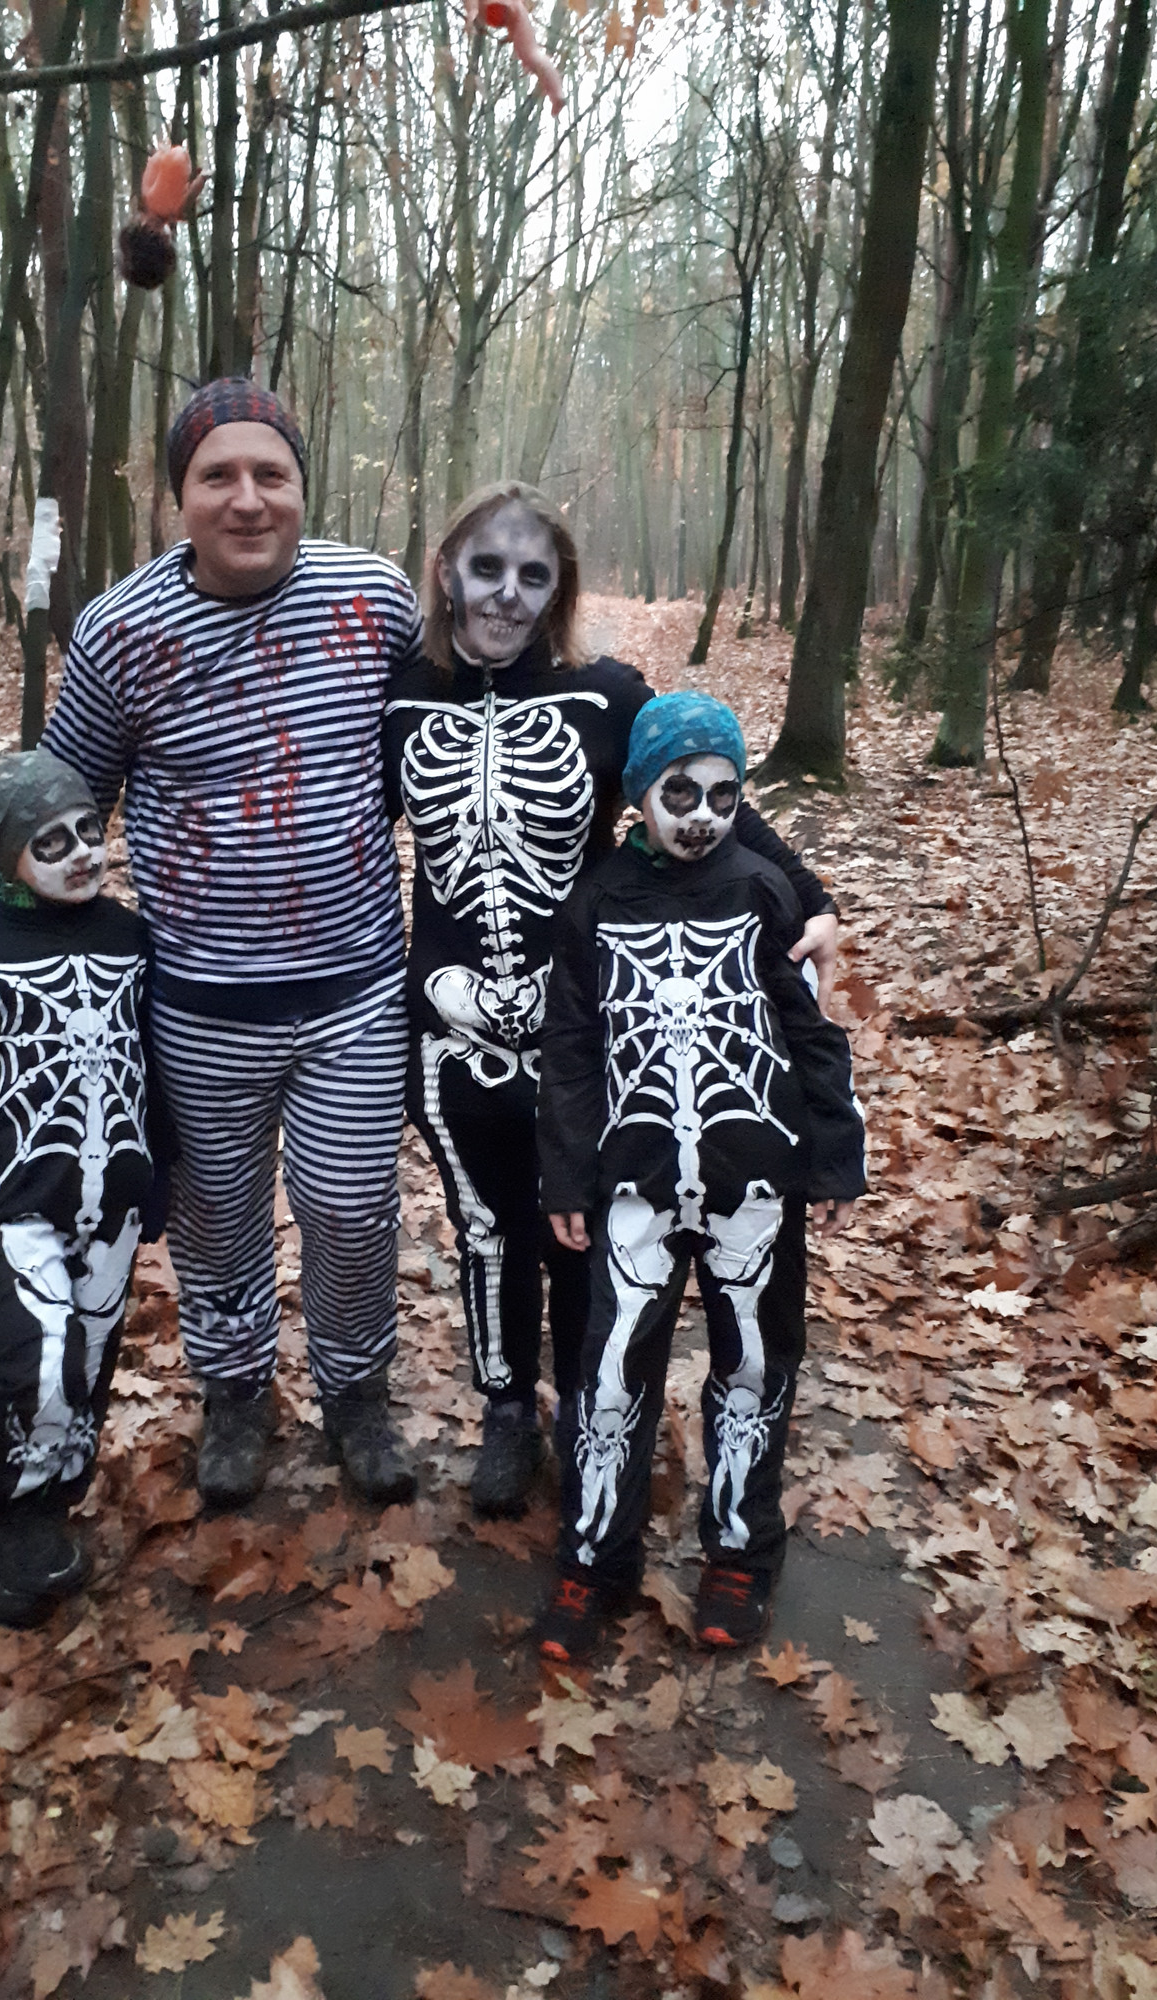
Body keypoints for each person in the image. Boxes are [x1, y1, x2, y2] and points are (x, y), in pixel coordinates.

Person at [382, 485, 841, 1518]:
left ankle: (592, 1409)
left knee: (584, 1230)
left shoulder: (605, 695)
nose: (506, 593)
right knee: (486, 1229)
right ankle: (507, 1409)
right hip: (449, 1030)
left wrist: (811, 900)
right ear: (448, 571)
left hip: (588, 1029)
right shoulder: (402, 698)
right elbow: (348, 826)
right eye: (486, 568)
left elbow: (710, 793)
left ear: (559, 591)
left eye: (532, 575)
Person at [39, 379, 423, 1509]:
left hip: (356, 988)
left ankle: (356, 1388)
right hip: (199, 1000)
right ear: (181, 496)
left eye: (272, 474)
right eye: (219, 476)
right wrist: (2, 962)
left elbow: (460, 732)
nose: (248, 499)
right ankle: (237, 1391)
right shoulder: (120, 630)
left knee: (352, 1209)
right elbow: (64, 797)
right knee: (216, 1220)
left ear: (303, 486)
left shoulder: (375, 598)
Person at [533, 693, 866, 1662]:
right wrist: (566, 1179)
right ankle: (596, 1555)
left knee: (753, 1365)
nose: (703, 815)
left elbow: (812, 1033)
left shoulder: (763, 891)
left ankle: (740, 1552)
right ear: (640, 793)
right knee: (608, 1372)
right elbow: (571, 1051)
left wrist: (834, 1154)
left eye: (725, 795)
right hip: (632, 1183)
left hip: (753, 1181)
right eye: (679, 793)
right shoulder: (598, 900)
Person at [0, 750, 163, 1628]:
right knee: (42, 1360)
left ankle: (39, 1510)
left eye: (90, 831)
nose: (82, 853)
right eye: (51, 843)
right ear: (6, 856)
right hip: (11, 1206)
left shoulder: (129, 937)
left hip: (112, 1201)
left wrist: (154, 1186)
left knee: (89, 1361)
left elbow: (151, 1074)